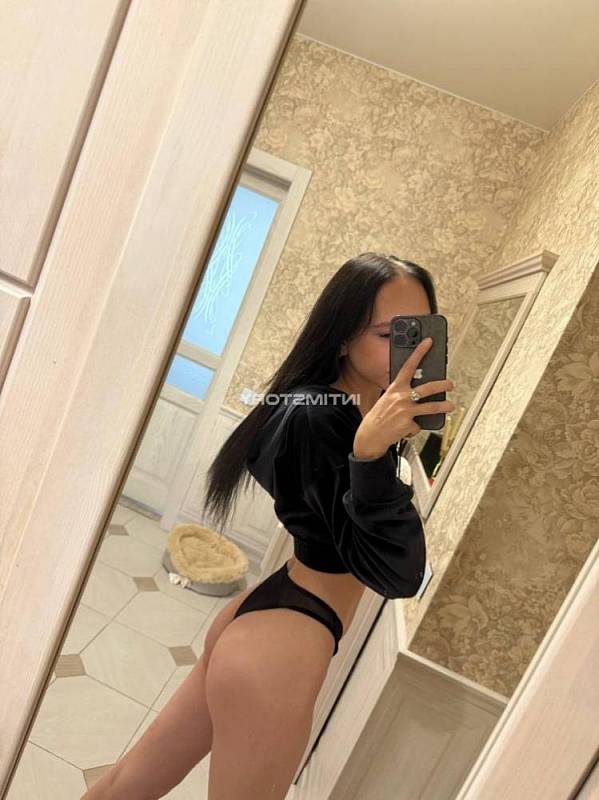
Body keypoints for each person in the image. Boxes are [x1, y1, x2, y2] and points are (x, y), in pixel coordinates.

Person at [83, 252, 455, 800]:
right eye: (390, 334)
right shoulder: (320, 417)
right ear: (342, 336)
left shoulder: (348, 411)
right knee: (129, 784)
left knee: (128, 784)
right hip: (282, 650)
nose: (411, 351)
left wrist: (382, 442)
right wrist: (371, 457)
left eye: (419, 332)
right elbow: (399, 573)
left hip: (273, 616)